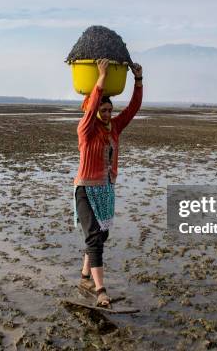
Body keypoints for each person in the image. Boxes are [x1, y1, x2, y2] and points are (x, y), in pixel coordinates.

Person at [73, 58, 143, 308]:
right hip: (85, 189)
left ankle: (84, 278)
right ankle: (100, 289)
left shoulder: (113, 128)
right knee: (93, 235)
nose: (106, 114)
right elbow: (91, 108)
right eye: (102, 110)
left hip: (105, 188)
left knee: (101, 234)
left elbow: (133, 108)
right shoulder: (86, 129)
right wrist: (101, 78)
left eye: (109, 110)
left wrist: (138, 80)